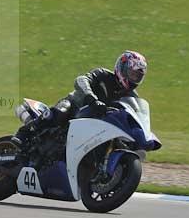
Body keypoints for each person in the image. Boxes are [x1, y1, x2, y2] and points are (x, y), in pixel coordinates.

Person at [13, 50, 148, 147]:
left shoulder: (131, 96)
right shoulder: (103, 75)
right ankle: (23, 133)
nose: (134, 79)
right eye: (132, 74)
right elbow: (82, 80)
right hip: (77, 107)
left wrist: (143, 133)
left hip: (97, 124)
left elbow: (135, 116)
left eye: (137, 76)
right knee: (63, 109)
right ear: (122, 68)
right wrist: (91, 98)